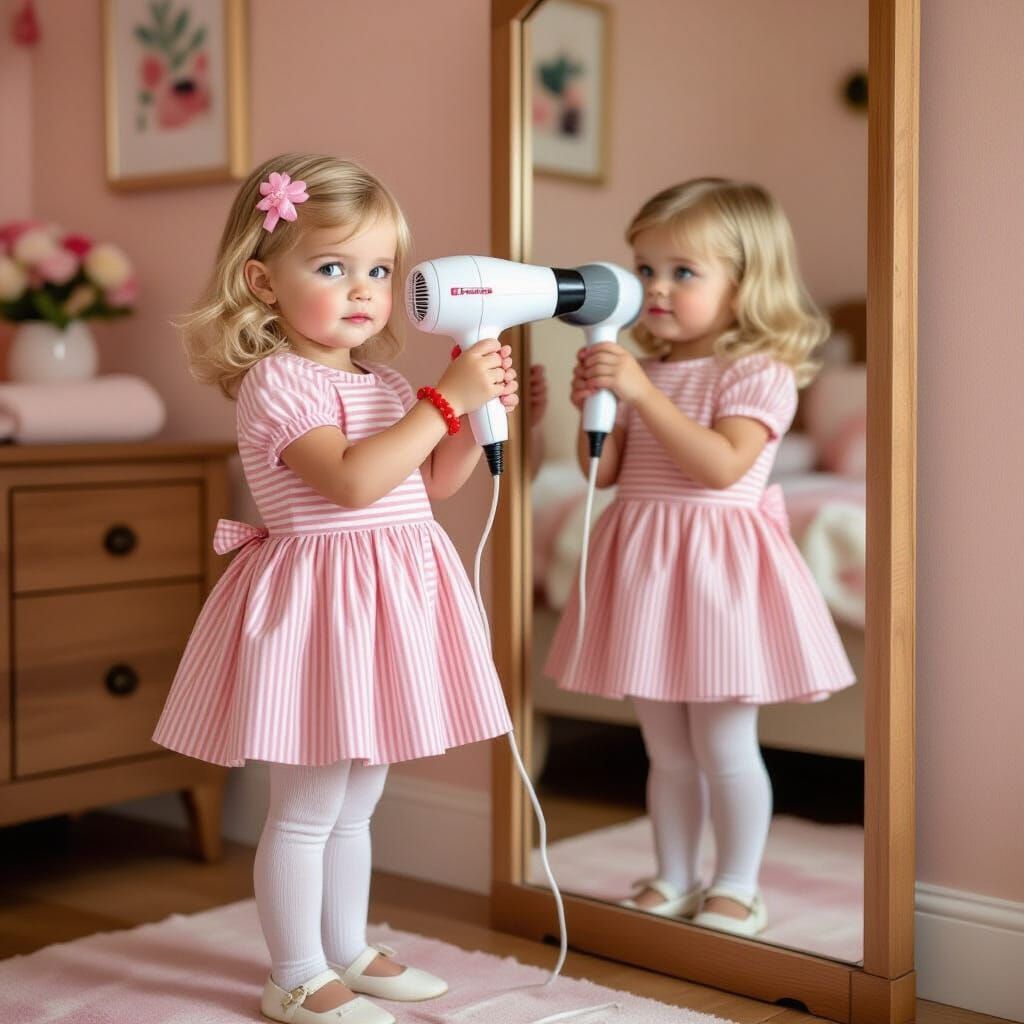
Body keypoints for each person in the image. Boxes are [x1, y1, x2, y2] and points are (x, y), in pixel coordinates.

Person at [152, 153, 519, 1024]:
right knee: (309, 805)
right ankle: (294, 971)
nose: (362, 290)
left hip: (384, 604)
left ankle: (346, 947)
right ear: (263, 282)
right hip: (322, 608)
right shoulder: (277, 382)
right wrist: (444, 402)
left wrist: (472, 417)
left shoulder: (384, 383)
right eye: (331, 267)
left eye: (380, 271)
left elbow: (430, 483)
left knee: (360, 797)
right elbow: (351, 482)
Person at [543, 178, 855, 938]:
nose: (655, 288)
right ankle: (674, 875)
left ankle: (738, 885)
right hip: (647, 569)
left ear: (745, 285)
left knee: (723, 743)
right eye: (645, 269)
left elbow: (721, 466)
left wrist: (641, 396)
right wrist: (593, 408)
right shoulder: (642, 369)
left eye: (683, 271)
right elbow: (603, 473)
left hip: (718, 574)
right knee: (667, 749)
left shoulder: (759, 373)